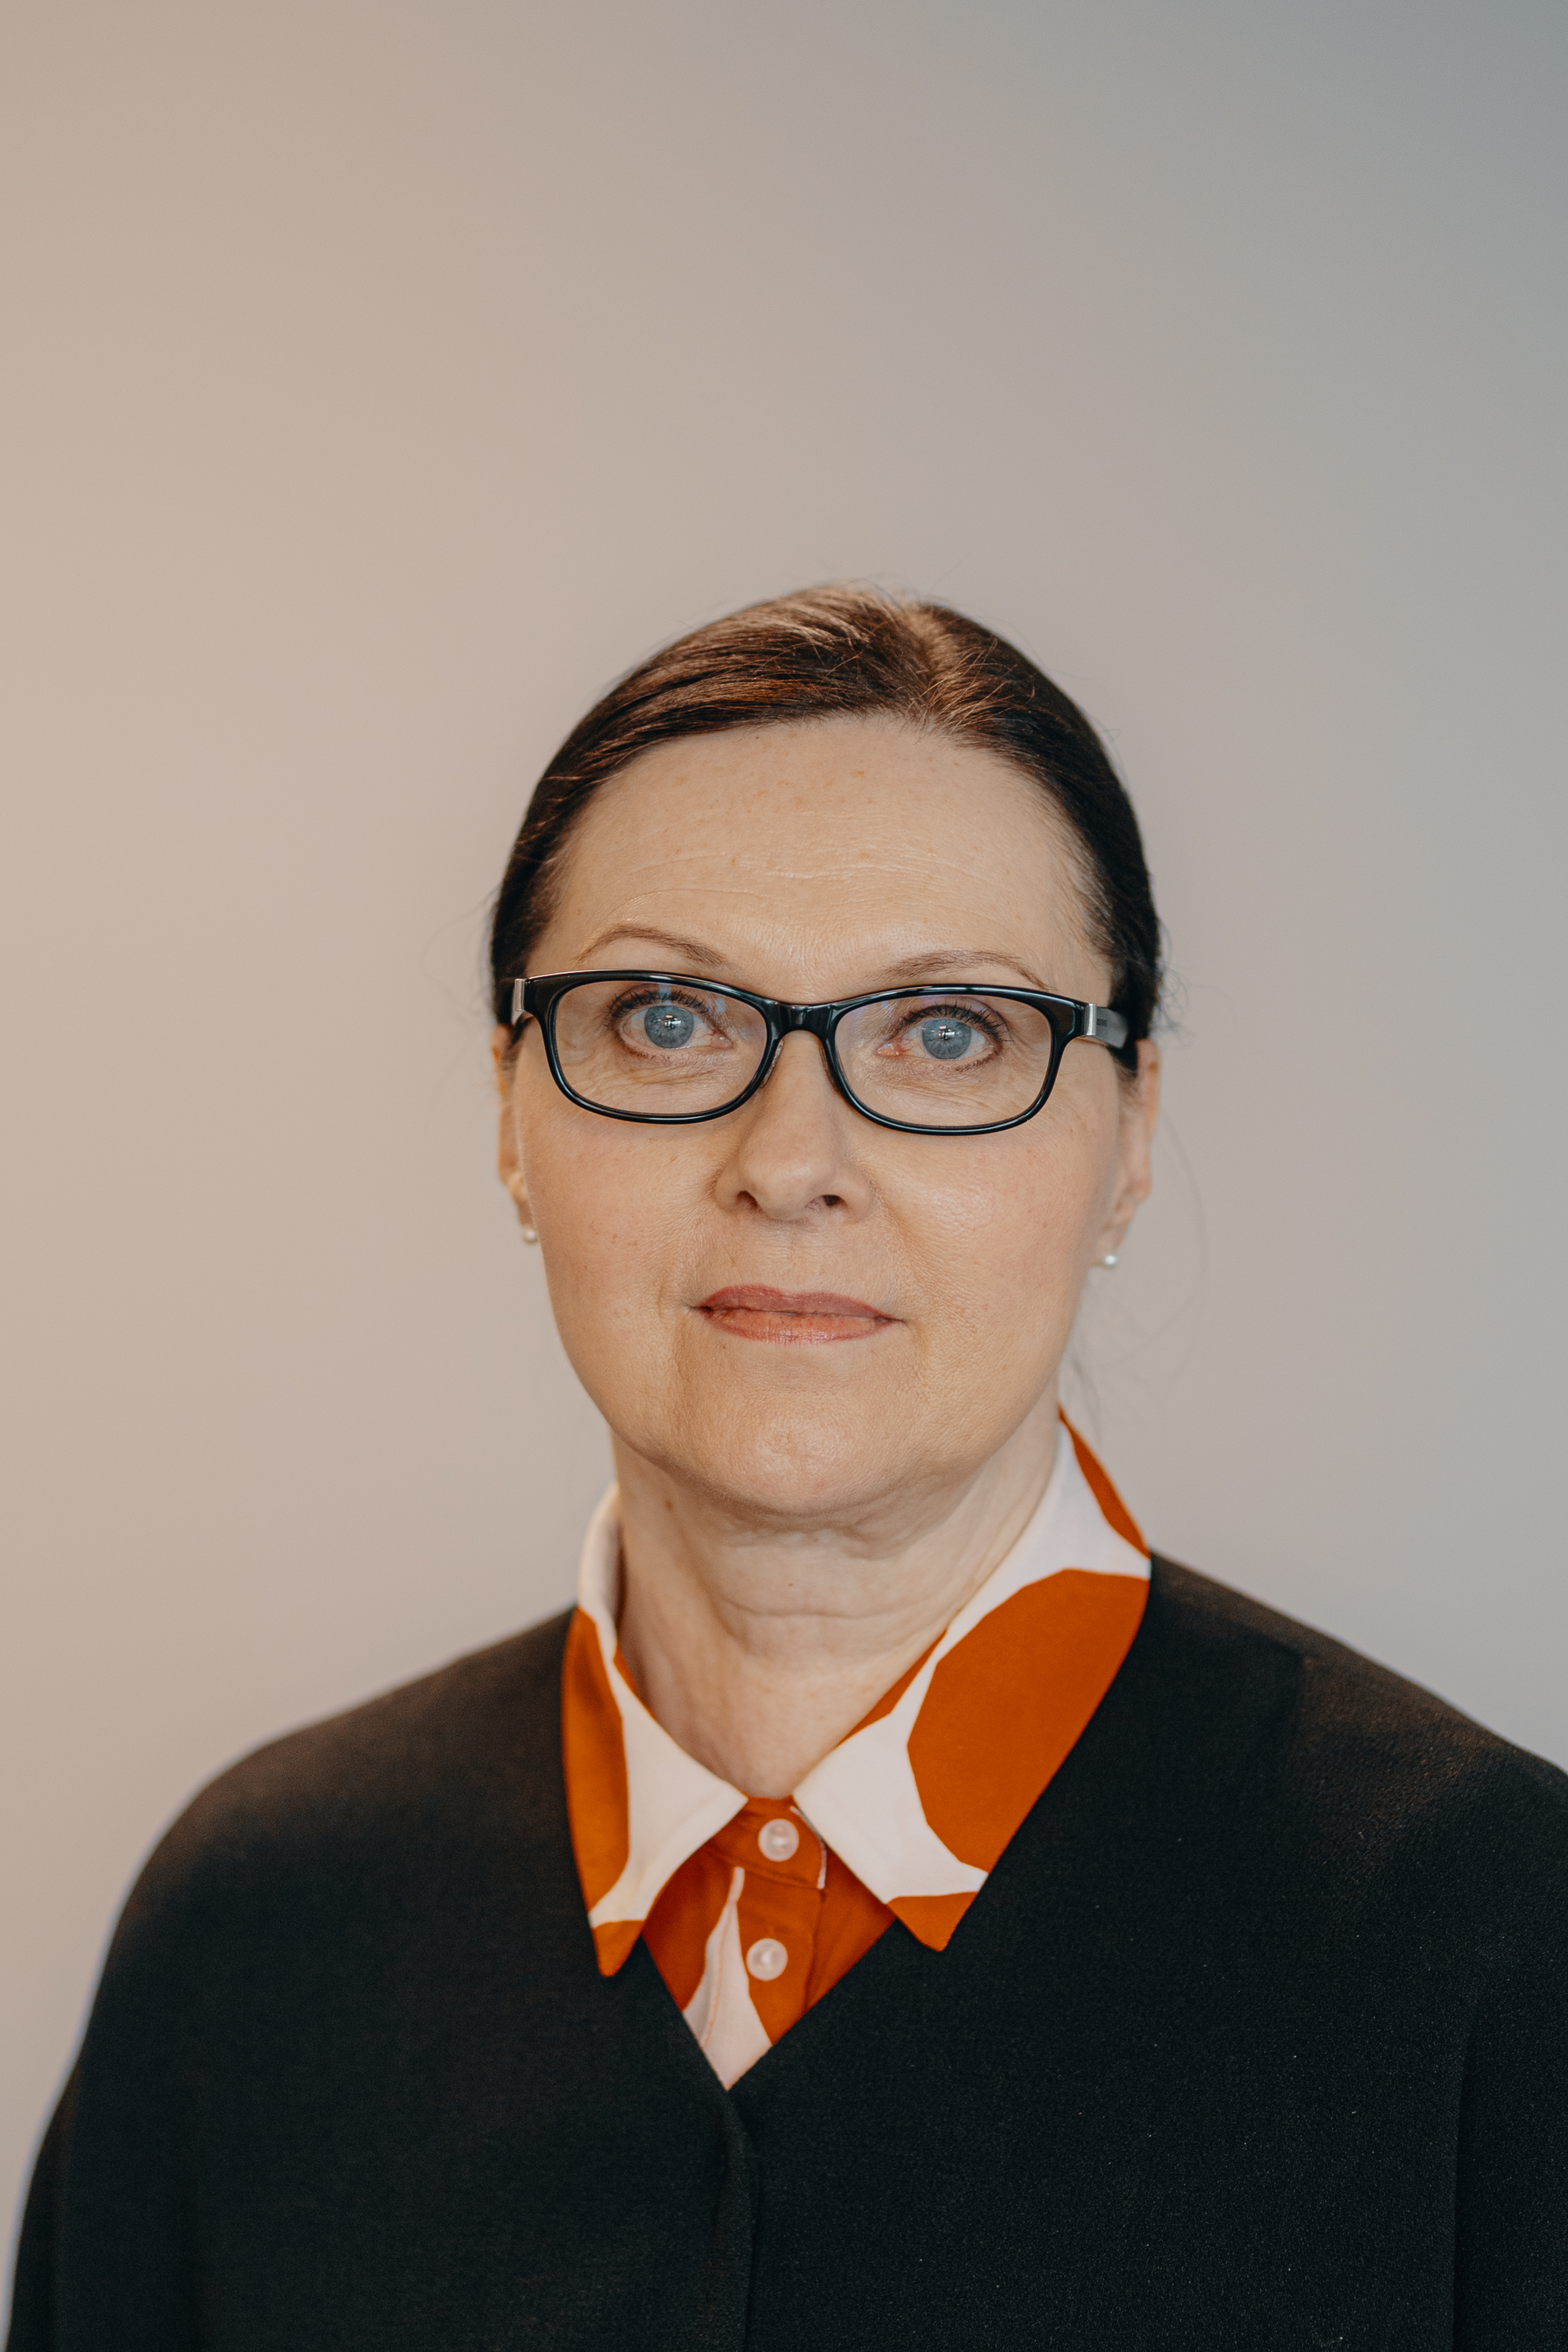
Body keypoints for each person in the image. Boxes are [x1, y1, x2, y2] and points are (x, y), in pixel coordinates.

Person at [9, 586, 1566, 2350]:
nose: (791, 1158)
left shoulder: (1495, 1944)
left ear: (1130, 1135)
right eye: (668, 1019)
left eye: (950, 1032)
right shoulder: (257, 1936)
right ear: (512, 1110)